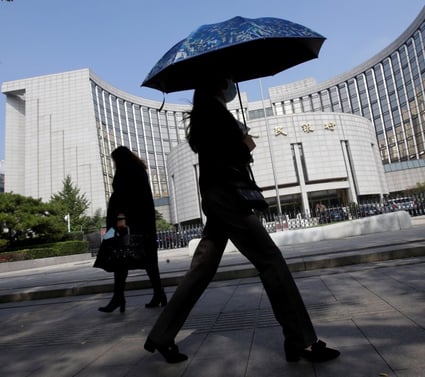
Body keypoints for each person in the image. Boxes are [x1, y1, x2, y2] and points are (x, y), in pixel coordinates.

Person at [143, 78, 340, 364]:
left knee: (201, 270)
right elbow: (225, 157)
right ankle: (301, 340)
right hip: (228, 198)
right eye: (227, 79)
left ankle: (161, 336)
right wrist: (245, 145)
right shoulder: (214, 113)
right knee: (271, 260)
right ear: (217, 85)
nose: (231, 84)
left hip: (218, 198)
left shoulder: (205, 113)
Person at [98, 146, 167, 313]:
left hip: (123, 224)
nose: (113, 164)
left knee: (118, 257)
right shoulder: (139, 170)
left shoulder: (126, 171)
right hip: (141, 223)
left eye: (114, 160)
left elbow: (123, 197)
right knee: (147, 259)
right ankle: (158, 294)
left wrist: (121, 218)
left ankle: (118, 298)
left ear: (119, 159)